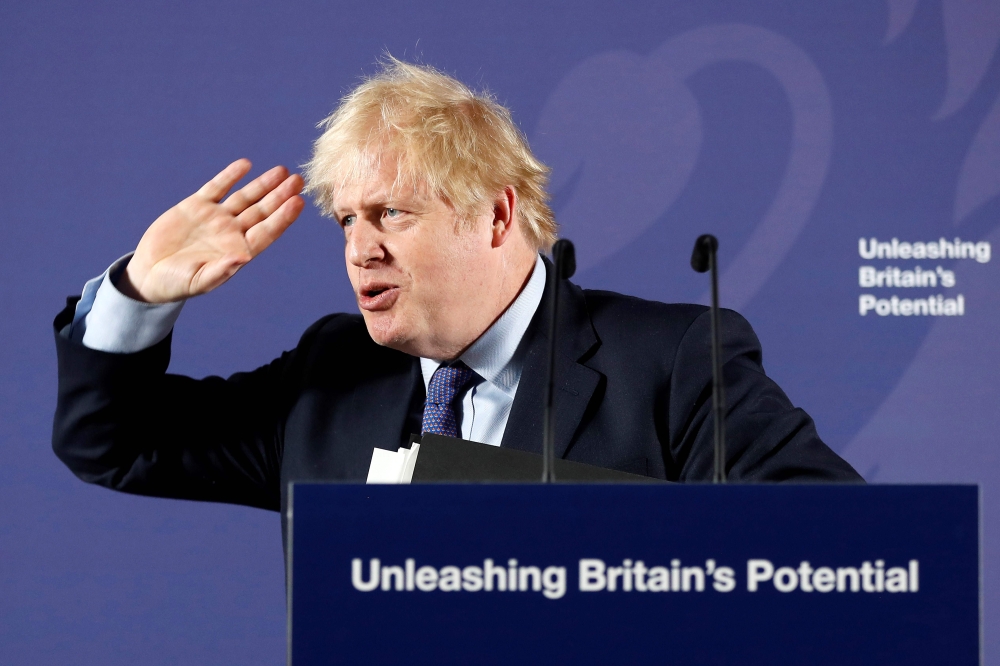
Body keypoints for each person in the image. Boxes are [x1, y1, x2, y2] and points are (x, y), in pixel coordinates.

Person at [52, 59, 861, 529]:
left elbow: (833, 553)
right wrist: (139, 292)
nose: (359, 247)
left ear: (497, 212)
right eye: (344, 221)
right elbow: (114, 444)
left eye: (391, 213)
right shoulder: (330, 375)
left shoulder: (672, 360)